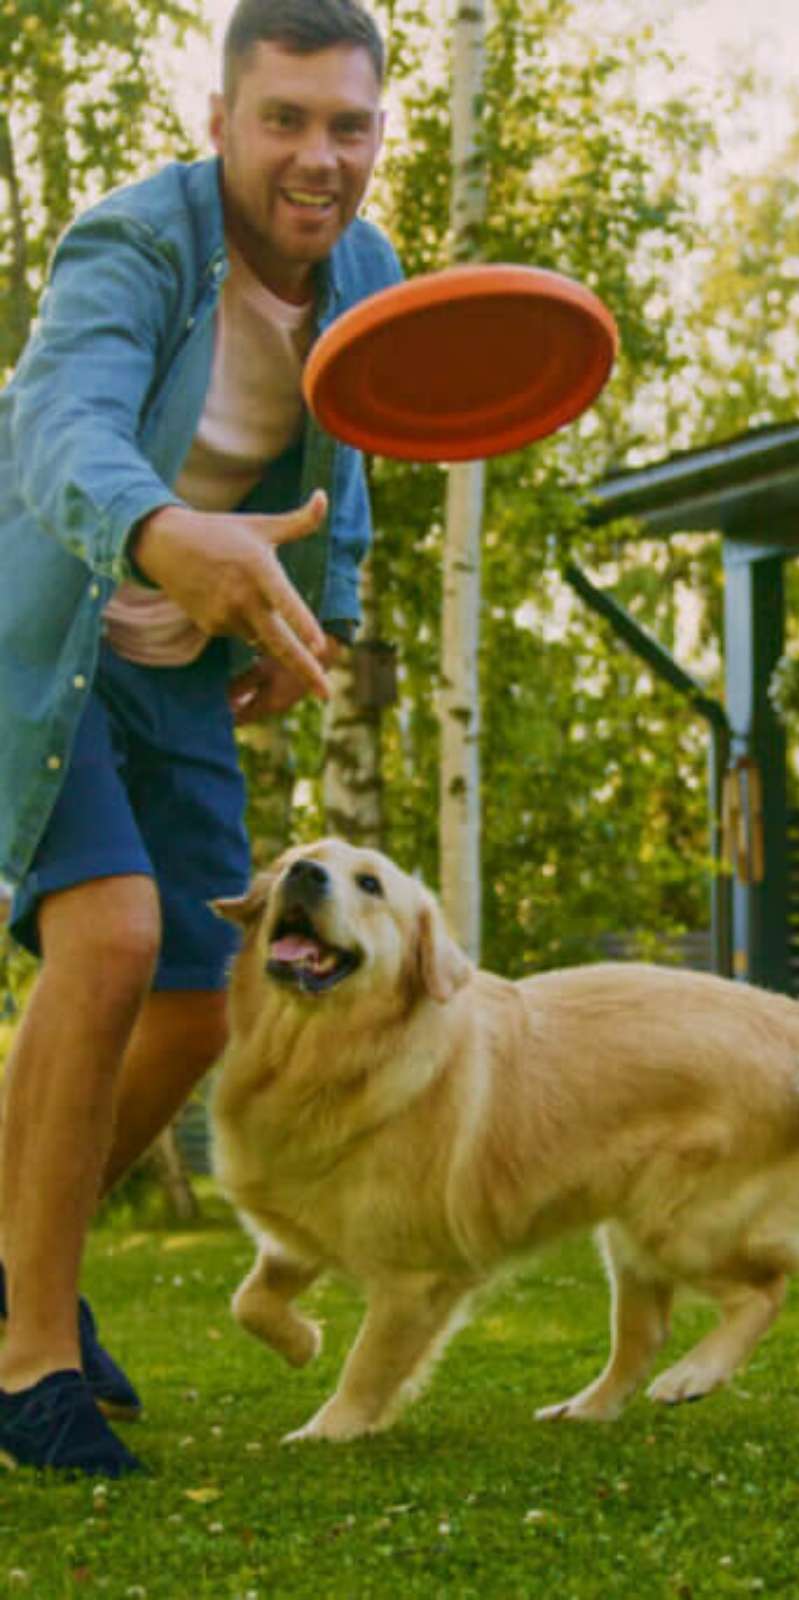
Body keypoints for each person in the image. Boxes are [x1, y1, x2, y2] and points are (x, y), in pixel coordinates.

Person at [0, 0, 400, 1476]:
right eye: (284, 119)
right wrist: (172, 534)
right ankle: (31, 1350)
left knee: (205, 988)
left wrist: (325, 614)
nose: (318, 155)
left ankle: (9, 1267)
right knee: (103, 942)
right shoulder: (133, 244)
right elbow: (59, 431)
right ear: (221, 122)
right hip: (41, 619)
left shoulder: (366, 272)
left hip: (178, 656)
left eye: (346, 124)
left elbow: (346, 452)